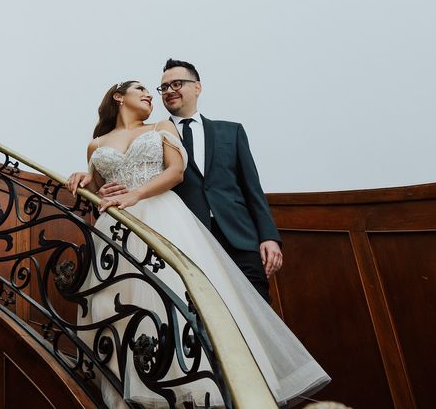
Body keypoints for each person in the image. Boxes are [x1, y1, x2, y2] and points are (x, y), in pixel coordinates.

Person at [66, 80, 329, 408]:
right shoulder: (96, 145)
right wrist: (87, 179)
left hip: (163, 218)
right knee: (124, 308)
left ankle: (199, 393)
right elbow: (104, 192)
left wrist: (136, 193)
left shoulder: (162, 126)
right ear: (118, 96)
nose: (151, 95)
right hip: (117, 230)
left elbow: (176, 172)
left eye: (153, 91)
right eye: (141, 89)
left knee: (178, 298)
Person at [79, 59, 282, 303]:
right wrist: (93, 182)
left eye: (177, 83)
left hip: (238, 236)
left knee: (256, 307)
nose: (168, 91)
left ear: (197, 87)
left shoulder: (231, 132)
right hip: (184, 236)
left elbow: (252, 190)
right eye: (163, 87)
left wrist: (269, 237)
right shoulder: (155, 133)